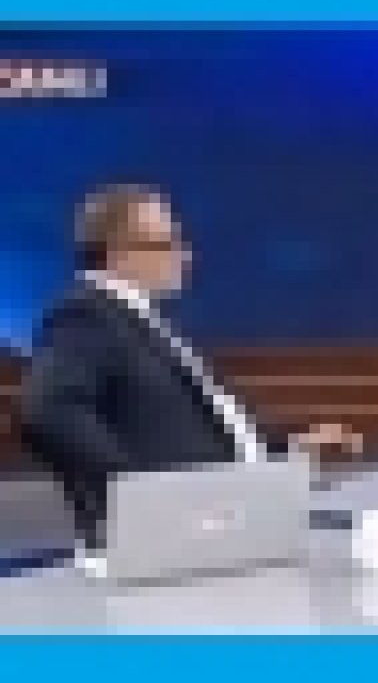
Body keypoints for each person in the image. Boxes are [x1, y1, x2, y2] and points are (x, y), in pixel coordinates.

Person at [20, 183, 360, 568]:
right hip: (168, 545)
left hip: (219, 532)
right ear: (118, 253)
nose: (185, 257)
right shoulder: (84, 316)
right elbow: (49, 409)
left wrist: (291, 448)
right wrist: (142, 495)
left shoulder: (141, 322)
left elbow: (199, 429)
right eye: (168, 244)